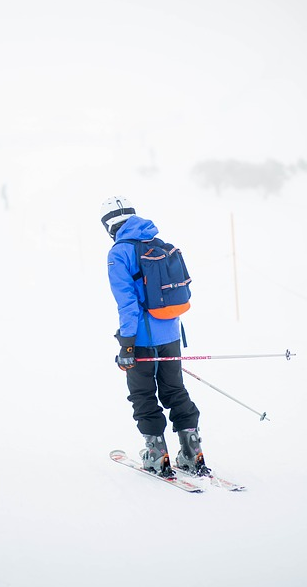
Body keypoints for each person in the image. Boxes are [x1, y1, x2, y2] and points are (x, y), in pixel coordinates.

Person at [100, 195, 209, 477]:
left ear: (109, 225)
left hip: (141, 339)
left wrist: (127, 344)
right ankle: (191, 452)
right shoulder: (158, 244)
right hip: (171, 332)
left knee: (143, 394)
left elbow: (127, 303)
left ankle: (156, 454)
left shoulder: (119, 253)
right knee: (175, 390)